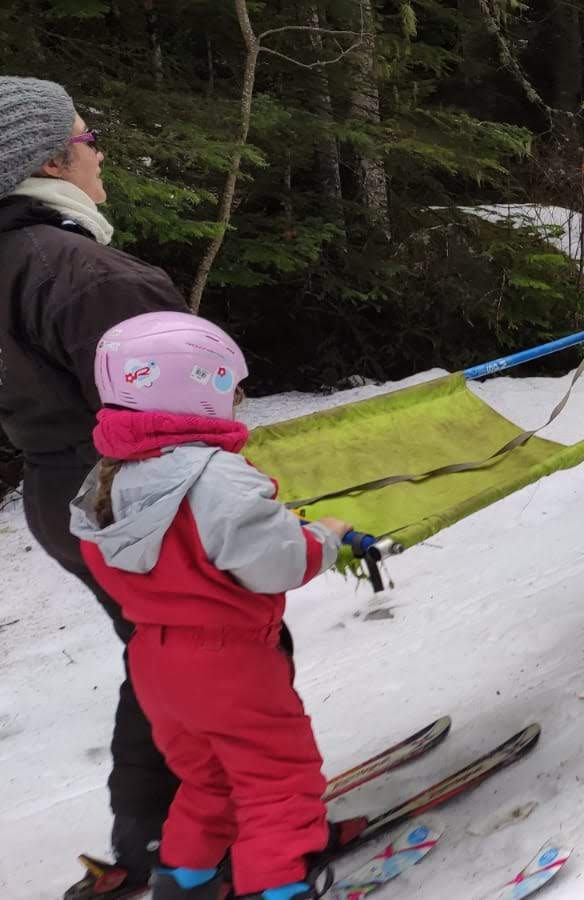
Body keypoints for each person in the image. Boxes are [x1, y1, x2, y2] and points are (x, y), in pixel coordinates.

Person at [70, 311, 352, 900]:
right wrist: (322, 537)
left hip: (155, 664)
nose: (237, 402)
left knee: (209, 782)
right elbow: (276, 562)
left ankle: (185, 884)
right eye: (232, 389)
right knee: (278, 782)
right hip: (230, 664)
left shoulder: (107, 479)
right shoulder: (216, 478)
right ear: (201, 387)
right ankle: (277, 888)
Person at [0, 75, 186, 898]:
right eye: (86, 135)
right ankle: (215, 832)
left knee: (161, 650)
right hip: (129, 493)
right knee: (218, 651)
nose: (98, 150)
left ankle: (151, 833)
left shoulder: (22, 261)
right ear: (49, 159)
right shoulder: (83, 272)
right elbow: (174, 415)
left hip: (61, 492)